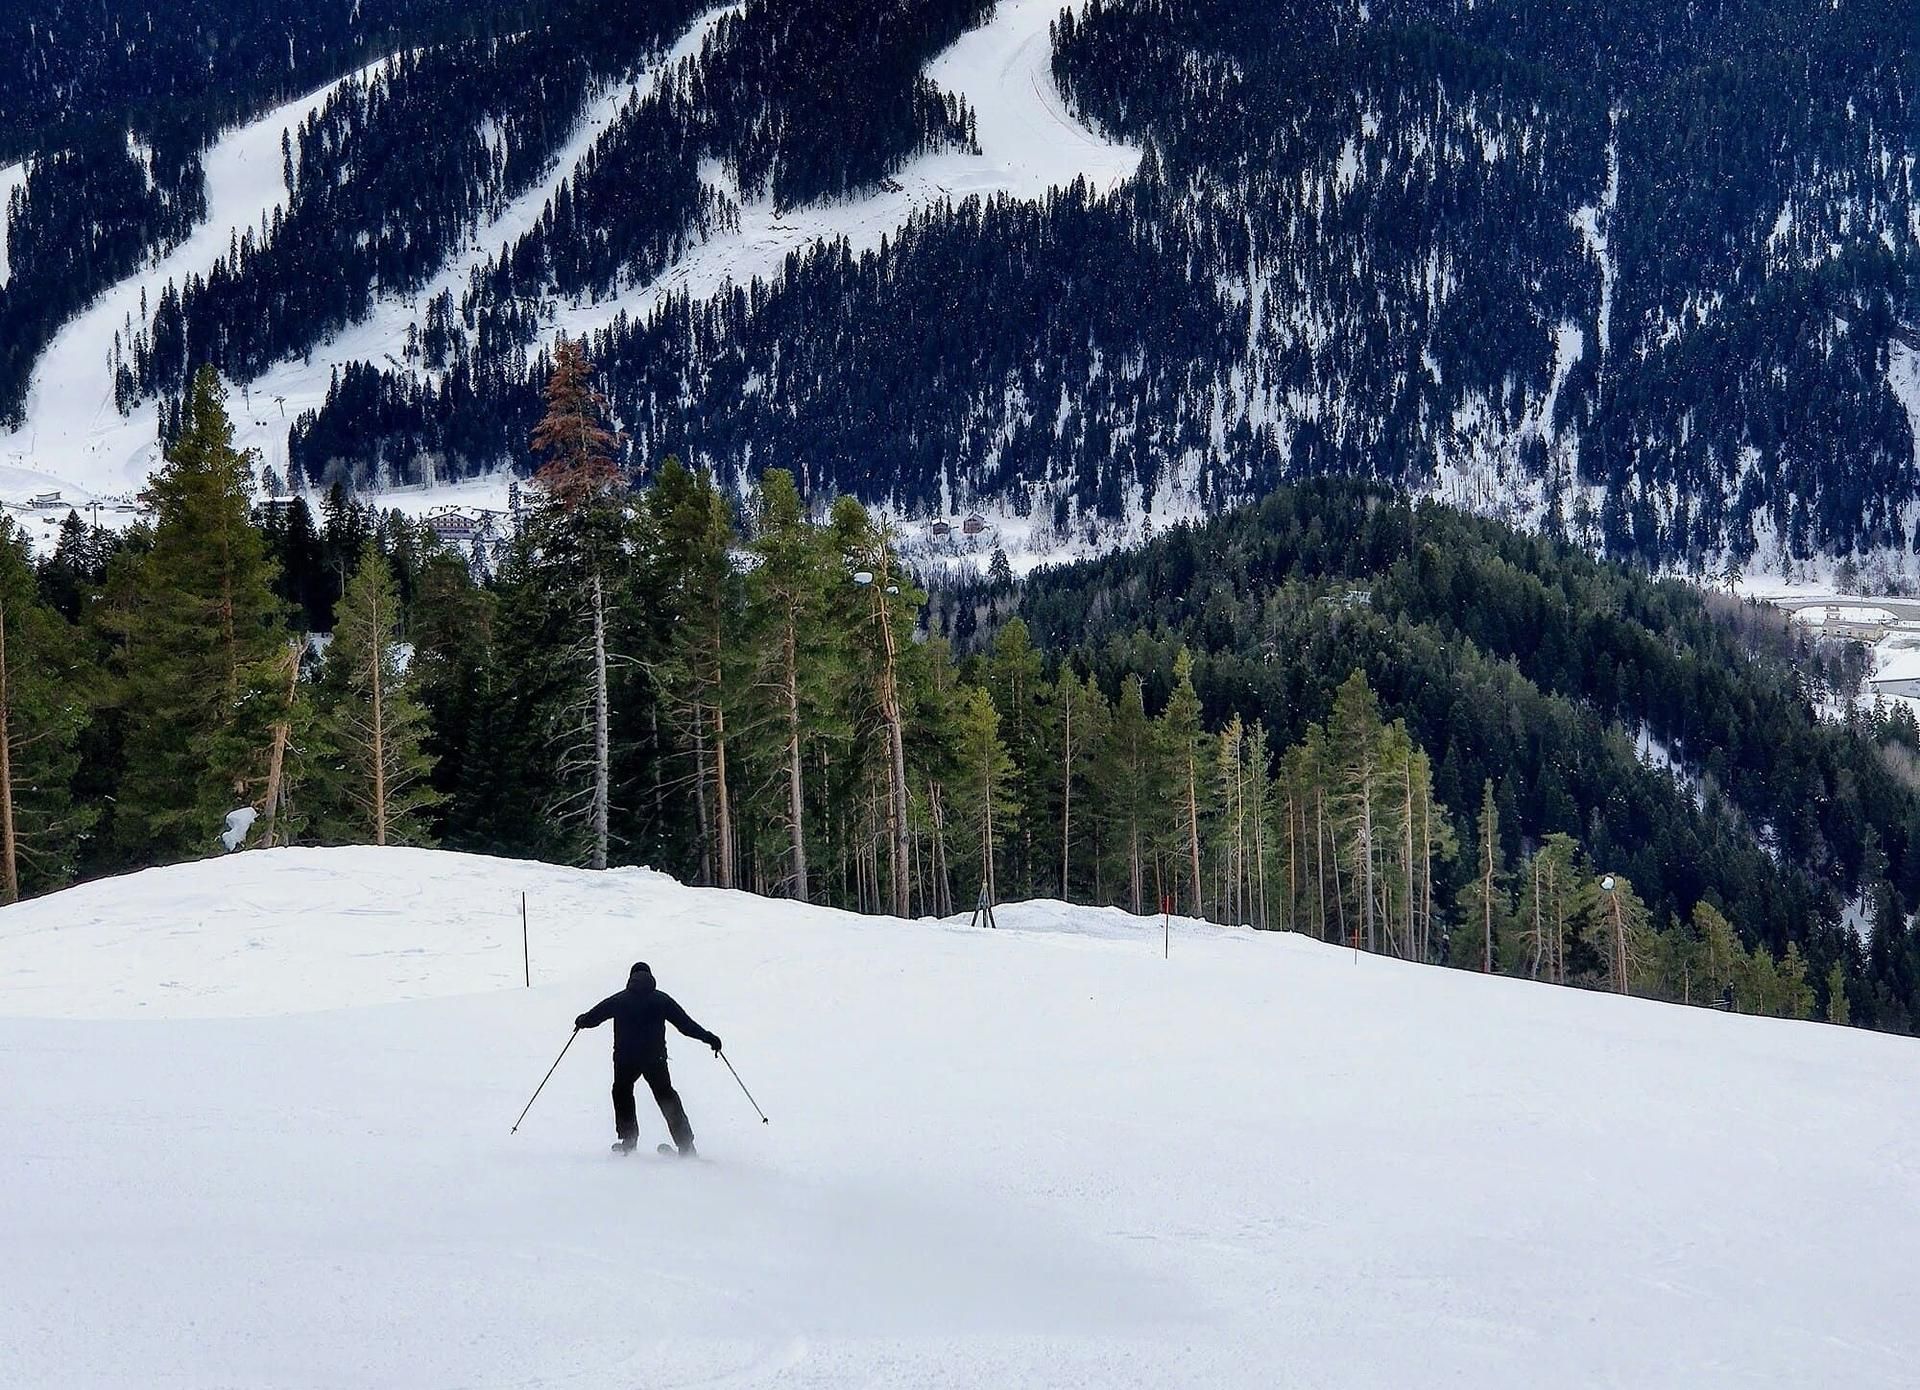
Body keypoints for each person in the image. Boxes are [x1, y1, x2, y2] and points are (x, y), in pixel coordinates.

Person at [575, 962, 722, 1157]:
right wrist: (709, 1038)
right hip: (655, 1059)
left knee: (622, 1091)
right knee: (666, 1096)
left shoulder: (620, 1000)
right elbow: (686, 1025)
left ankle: (628, 1141)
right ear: (650, 977)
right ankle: (686, 1146)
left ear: (631, 978)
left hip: (626, 1059)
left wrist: (582, 1020)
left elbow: (595, 1016)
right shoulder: (661, 1000)